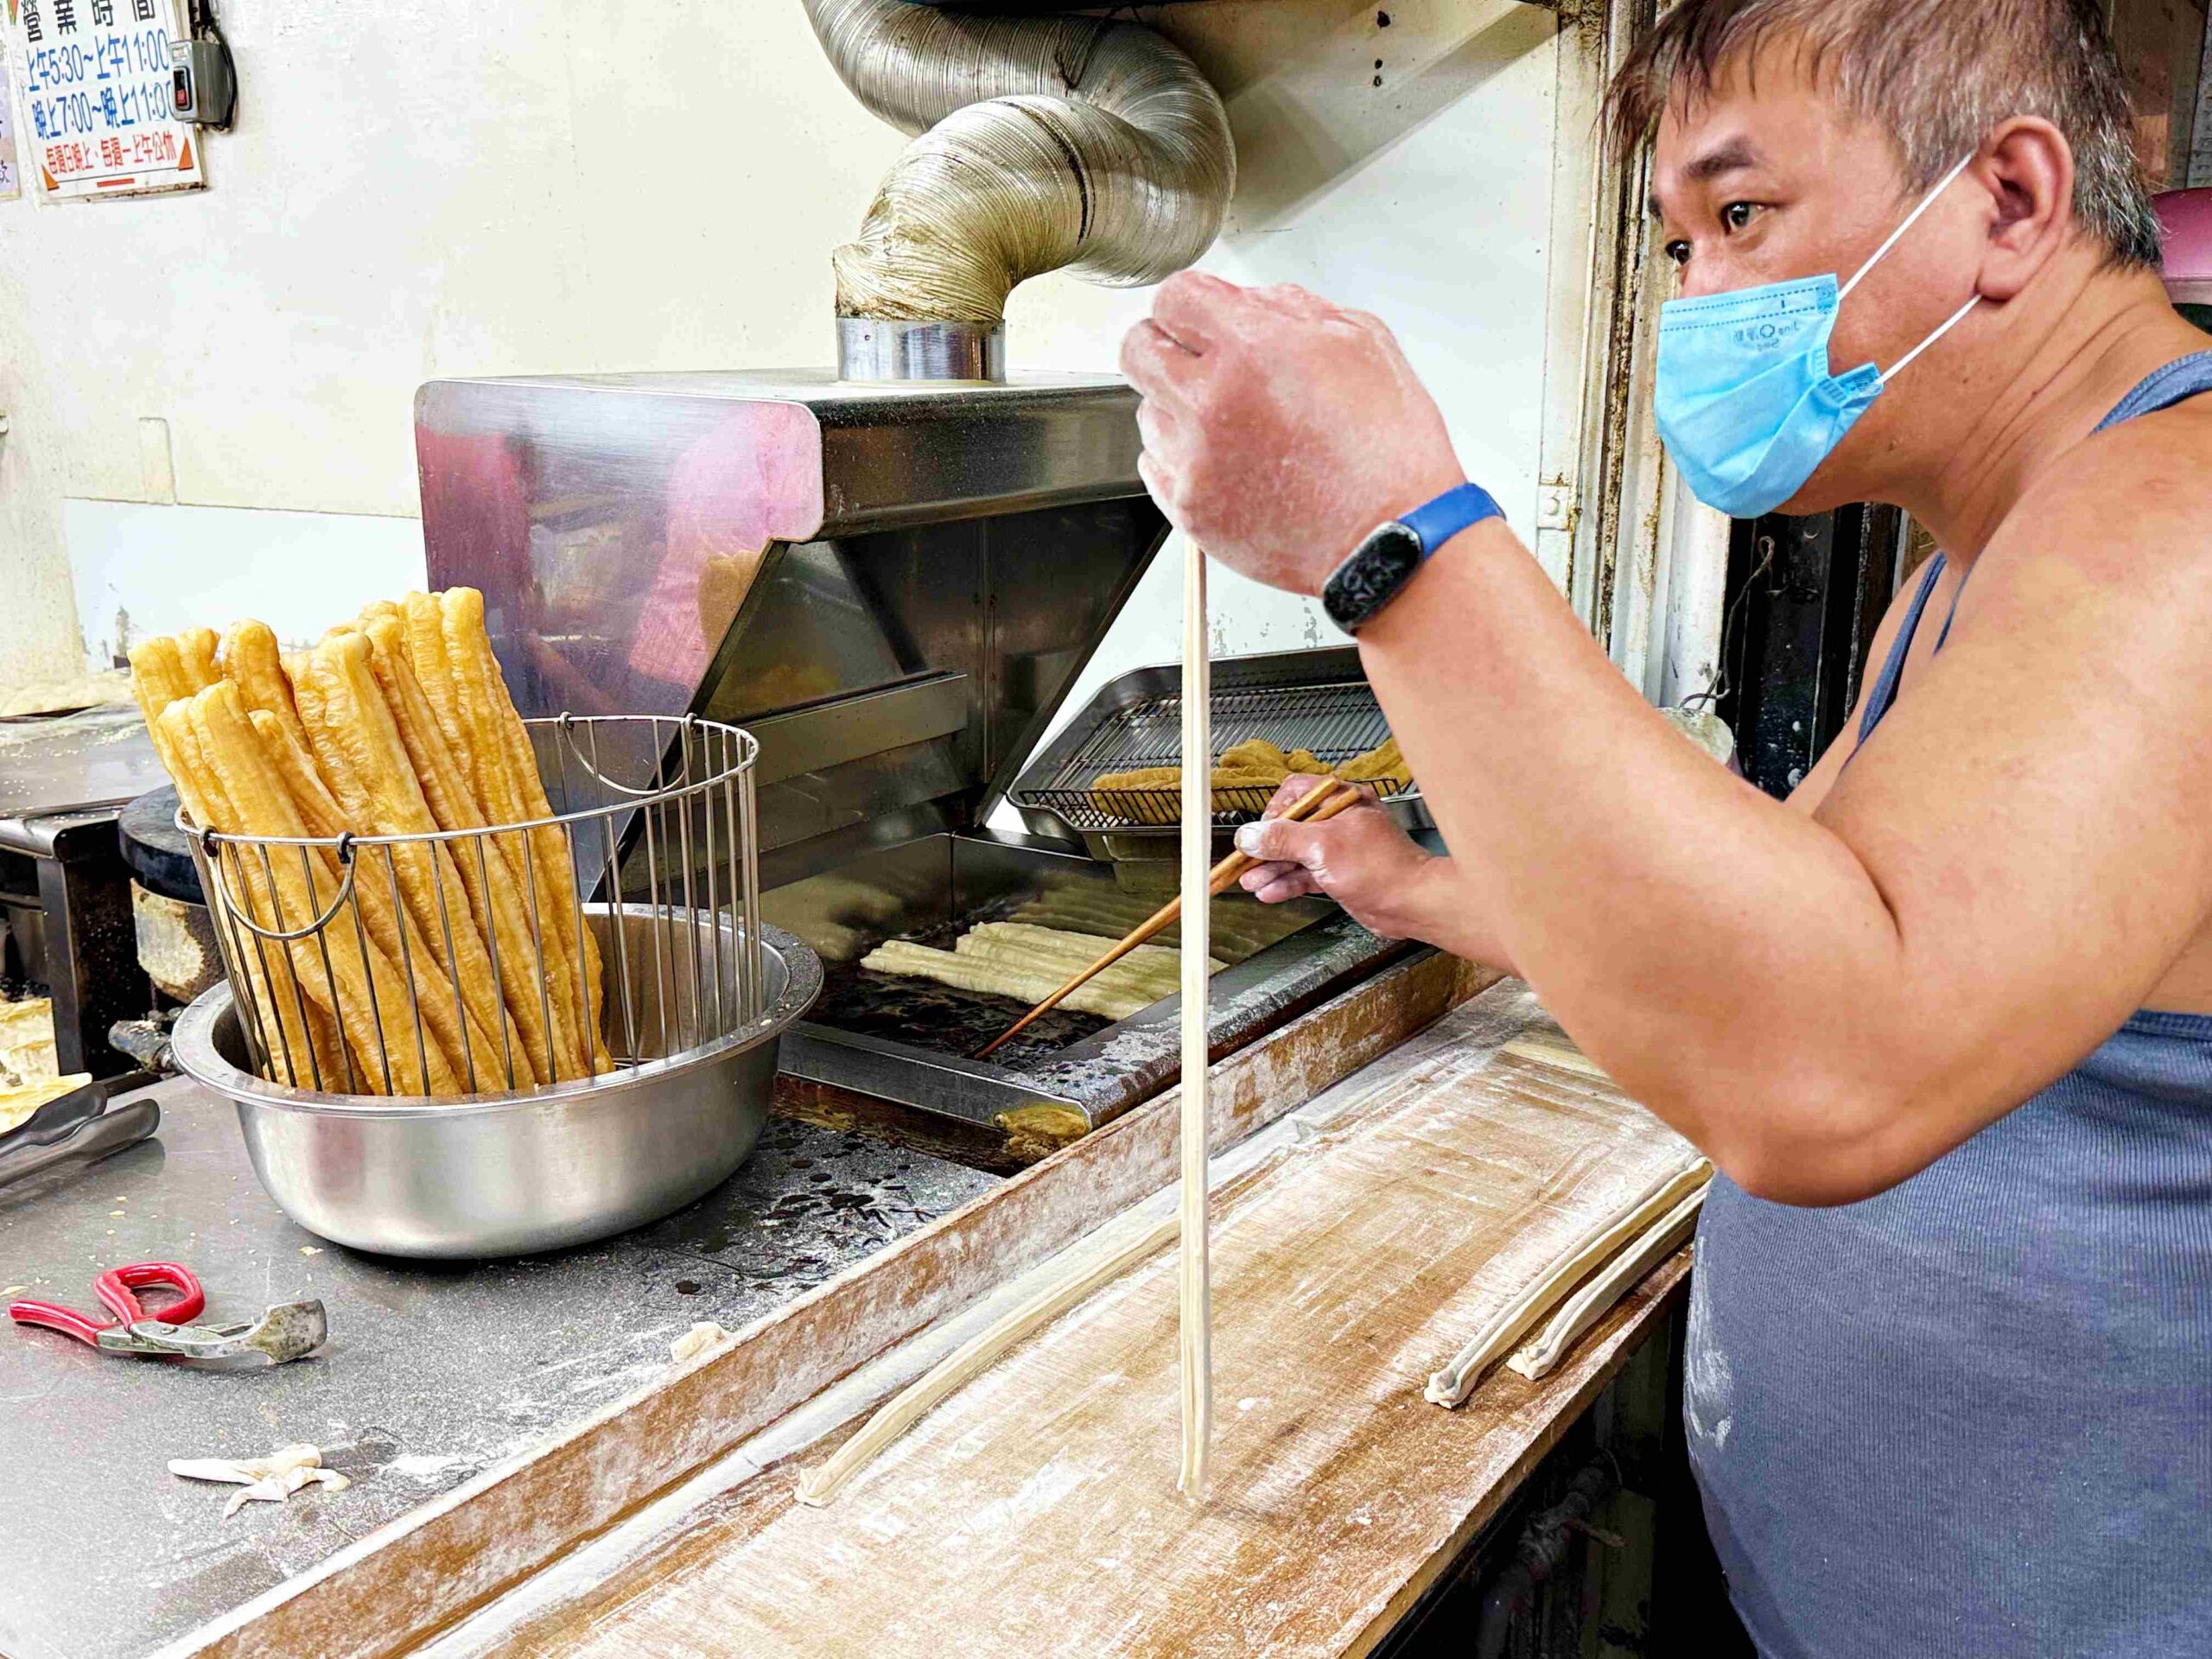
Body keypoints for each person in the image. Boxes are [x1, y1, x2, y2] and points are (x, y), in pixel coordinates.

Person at [1118, 0, 2212, 1651]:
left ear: (2010, 198)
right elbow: (1795, 910)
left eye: (1743, 216)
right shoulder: (1982, 564)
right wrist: (1421, 890)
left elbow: (1827, 1073)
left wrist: (1391, 540)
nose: (1700, 298)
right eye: (1684, 241)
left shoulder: (2178, 522)